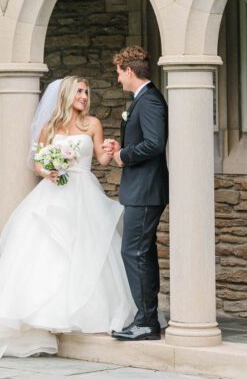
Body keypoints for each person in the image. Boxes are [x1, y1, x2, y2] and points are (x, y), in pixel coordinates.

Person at [0, 76, 136, 362]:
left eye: (87, 91)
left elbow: (100, 160)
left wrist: (109, 150)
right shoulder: (50, 127)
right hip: (55, 193)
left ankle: (82, 312)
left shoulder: (93, 124)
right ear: (67, 95)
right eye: (80, 91)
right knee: (48, 253)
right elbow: (37, 162)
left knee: (87, 250)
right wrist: (47, 170)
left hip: (84, 194)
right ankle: (41, 315)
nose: (85, 96)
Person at [101, 46, 169, 341]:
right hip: (140, 189)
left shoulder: (150, 100)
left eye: (118, 73)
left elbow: (155, 143)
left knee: (134, 252)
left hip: (146, 190)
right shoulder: (140, 100)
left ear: (129, 71)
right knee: (142, 253)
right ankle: (148, 317)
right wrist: (122, 148)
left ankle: (145, 322)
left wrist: (124, 156)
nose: (118, 79)